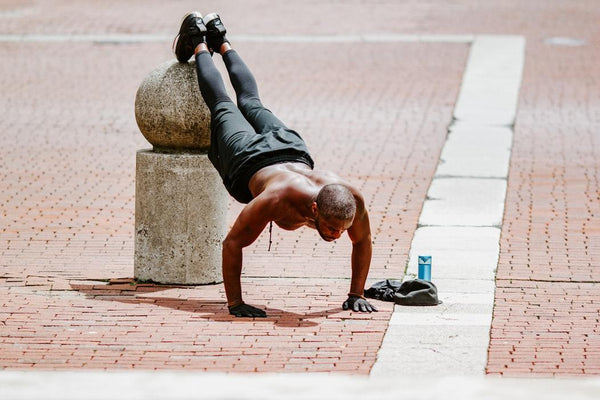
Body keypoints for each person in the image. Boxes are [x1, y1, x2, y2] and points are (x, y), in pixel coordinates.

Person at [173, 12, 378, 317]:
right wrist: (235, 303)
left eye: (341, 230)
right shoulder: (274, 200)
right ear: (314, 209)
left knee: (252, 103)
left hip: (291, 149)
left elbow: (362, 241)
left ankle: (222, 39)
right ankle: (200, 39)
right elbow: (232, 244)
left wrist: (356, 294)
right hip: (248, 157)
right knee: (223, 104)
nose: (337, 236)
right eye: (333, 229)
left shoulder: (351, 200)